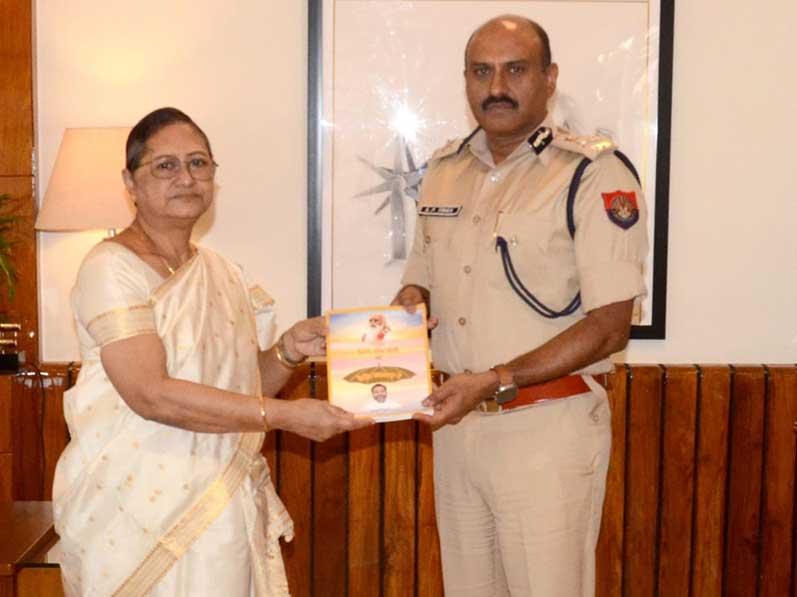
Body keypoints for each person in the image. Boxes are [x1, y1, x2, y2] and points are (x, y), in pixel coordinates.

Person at [51, 107, 372, 597]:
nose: (186, 177)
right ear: (129, 183)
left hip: (221, 498)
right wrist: (286, 416)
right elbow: (151, 395)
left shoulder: (223, 271)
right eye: (165, 166)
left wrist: (287, 352)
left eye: (199, 163)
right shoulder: (110, 269)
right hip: (137, 509)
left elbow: (244, 390)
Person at [393, 15, 649, 597]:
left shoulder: (592, 173)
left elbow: (609, 328)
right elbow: (421, 283)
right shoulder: (444, 170)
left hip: (546, 432)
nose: (497, 86)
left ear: (549, 78)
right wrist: (409, 305)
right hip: (457, 427)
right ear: (466, 81)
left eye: (515, 69)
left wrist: (497, 379)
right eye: (482, 71)